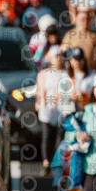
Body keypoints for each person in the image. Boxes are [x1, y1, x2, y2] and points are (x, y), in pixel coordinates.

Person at [35, 45, 70, 176]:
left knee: (59, 137)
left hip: (61, 109)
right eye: (56, 56)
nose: (58, 59)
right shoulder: (43, 73)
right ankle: (46, 163)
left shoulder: (66, 74)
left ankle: (58, 164)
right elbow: (40, 90)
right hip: (46, 109)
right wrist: (41, 105)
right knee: (47, 135)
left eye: (60, 56)